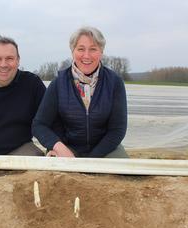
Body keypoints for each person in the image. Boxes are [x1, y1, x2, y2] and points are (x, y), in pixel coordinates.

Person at [32, 26, 128, 158]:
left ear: (101, 52)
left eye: (93, 49)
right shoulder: (58, 84)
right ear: (73, 51)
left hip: (105, 149)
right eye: (81, 49)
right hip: (67, 149)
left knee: (124, 174)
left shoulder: (115, 83)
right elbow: (39, 125)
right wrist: (58, 146)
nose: (86, 55)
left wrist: (92, 159)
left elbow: (117, 130)